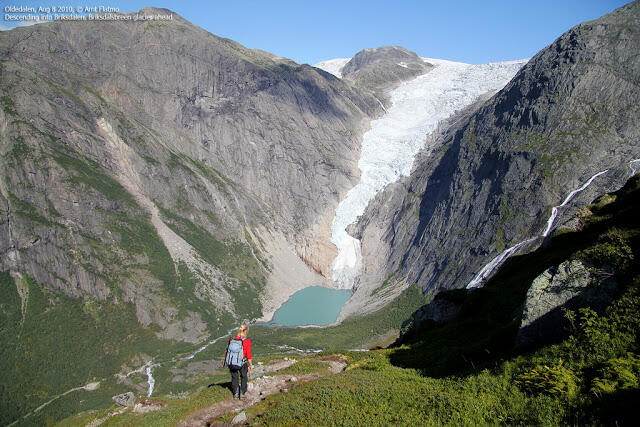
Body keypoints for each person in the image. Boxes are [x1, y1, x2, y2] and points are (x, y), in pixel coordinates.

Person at [223, 324, 253, 399]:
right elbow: (248, 355)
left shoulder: (232, 340)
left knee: (234, 377)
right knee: (243, 376)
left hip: (231, 362)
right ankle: (242, 393)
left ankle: (235, 393)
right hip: (241, 362)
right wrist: (250, 365)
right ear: (246, 331)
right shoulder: (247, 341)